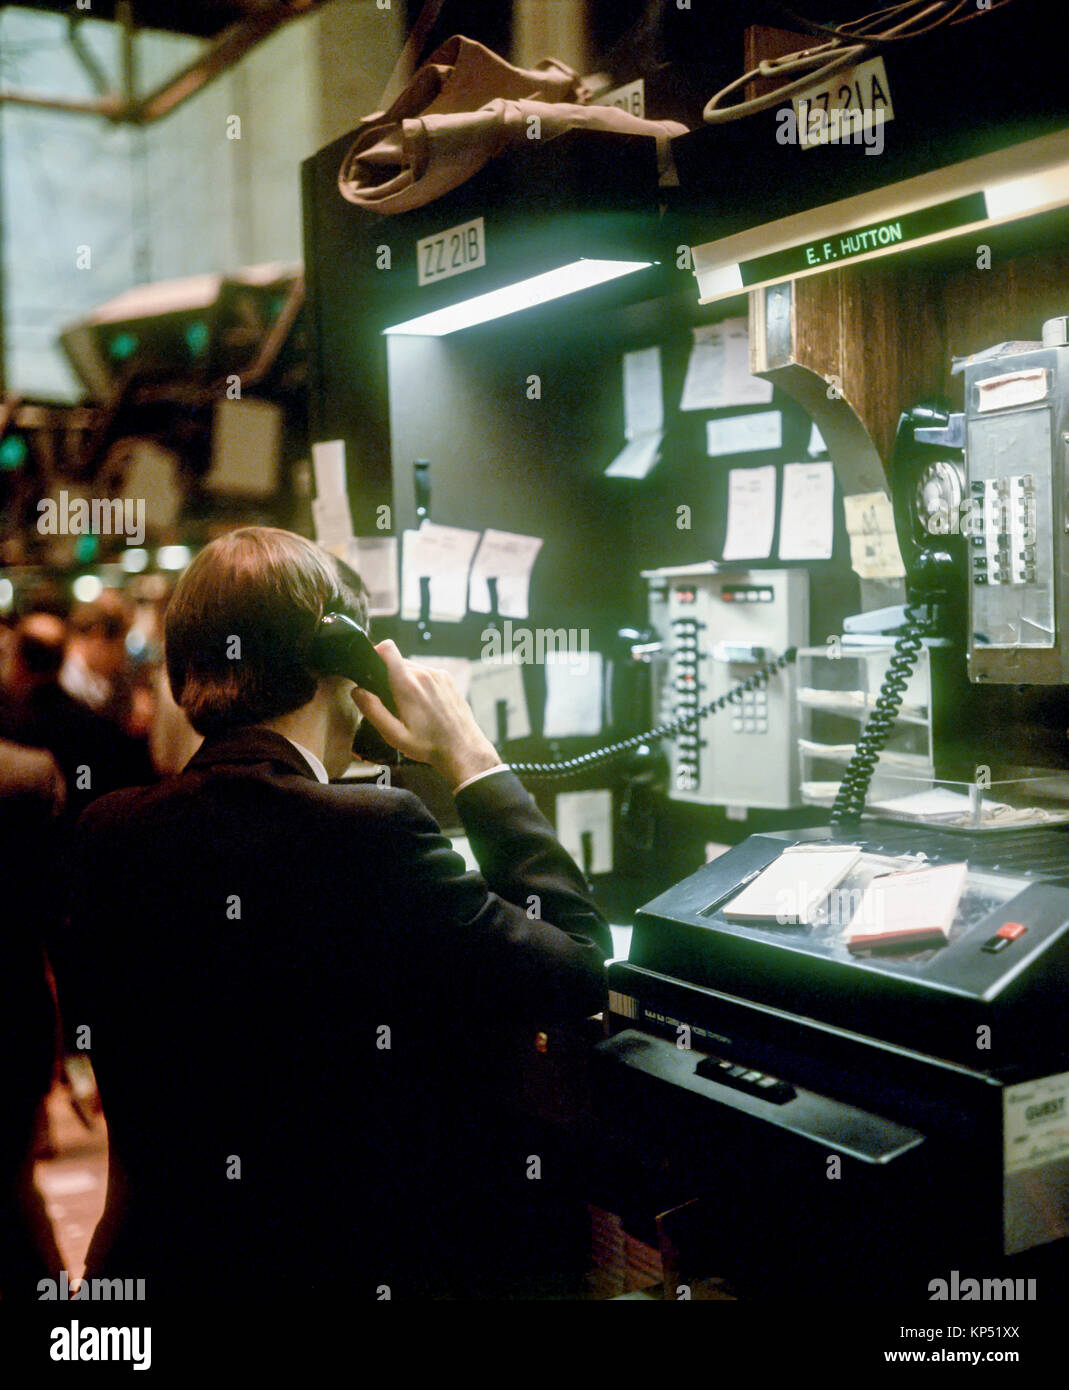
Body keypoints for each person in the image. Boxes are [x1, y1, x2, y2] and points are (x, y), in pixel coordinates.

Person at [59, 526, 610, 1298]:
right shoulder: (371, 833)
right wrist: (472, 763)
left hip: (150, 1271)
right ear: (340, 654)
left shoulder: (107, 829)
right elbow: (578, 965)